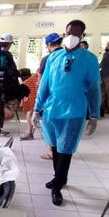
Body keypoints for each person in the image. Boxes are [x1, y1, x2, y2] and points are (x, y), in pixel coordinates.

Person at [34, 20, 101, 206]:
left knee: (66, 150)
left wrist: (94, 114)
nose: (72, 37)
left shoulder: (89, 59)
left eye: (77, 34)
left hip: (74, 111)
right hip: (51, 110)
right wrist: (37, 109)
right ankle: (59, 178)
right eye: (69, 33)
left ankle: (57, 186)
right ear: (64, 34)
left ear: (82, 36)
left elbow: (94, 89)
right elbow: (45, 85)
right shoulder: (53, 58)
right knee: (55, 147)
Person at [36, 33, 63, 159]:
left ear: (49, 45)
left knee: (49, 126)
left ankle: (53, 152)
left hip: (50, 99)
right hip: (66, 99)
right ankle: (64, 150)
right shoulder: (69, 56)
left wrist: (38, 103)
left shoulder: (48, 59)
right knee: (63, 127)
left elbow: (42, 81)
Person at [20, 70, 39, 140]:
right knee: (32, 111)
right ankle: (30, 132)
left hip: (38, 86)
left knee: (31, 111)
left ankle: (30, 133)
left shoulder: (47, 61)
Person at [101, 42, 109, 117]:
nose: (107, 46)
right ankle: (104, 108)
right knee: (103, 93)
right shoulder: (105, 54)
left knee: (107, 92)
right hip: (103, 74)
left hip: (107, 76)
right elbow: (102, 63)